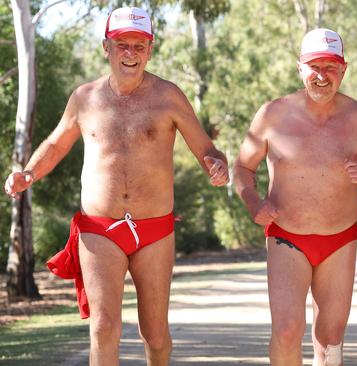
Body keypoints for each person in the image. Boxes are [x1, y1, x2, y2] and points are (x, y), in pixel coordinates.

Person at [3, 7, 229, 366]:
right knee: (104, 327)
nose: (131, 53)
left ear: (150, 50)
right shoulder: (85, 97)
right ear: (106, 47)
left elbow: (206, 147)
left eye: (139, 46)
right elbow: (57, 143)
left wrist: (216, 164)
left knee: (155, 334)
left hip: (154, 230)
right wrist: (28, 173)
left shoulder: (169, 96)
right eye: (122, 44)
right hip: (100, 228)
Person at [233, 28, 357, 366]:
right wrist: (253, 202)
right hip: (286, 236)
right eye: (314, 66)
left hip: (340, 239)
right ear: (300, 68)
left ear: (344, 70)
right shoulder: (272, 115)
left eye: (331, 67)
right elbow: (243, 169)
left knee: (330, 338)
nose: (322, 76)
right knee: (288, 330)